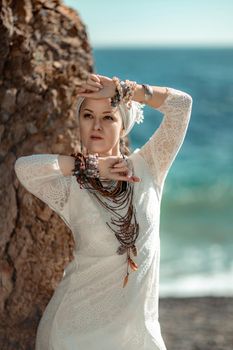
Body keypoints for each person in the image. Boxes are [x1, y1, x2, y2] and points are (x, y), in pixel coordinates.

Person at [14, 73, 193, 350]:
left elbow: (181, 106)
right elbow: (24, 169)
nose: (96, 125)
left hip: (137, 332)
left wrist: (126, 89)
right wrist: (90, 167)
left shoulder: (149, 166)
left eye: (108, 117)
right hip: (73, 333)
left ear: (123, 127)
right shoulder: (71, 182)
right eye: (87, 115)